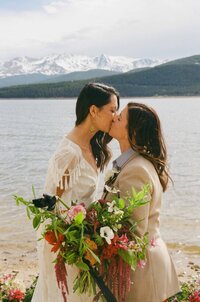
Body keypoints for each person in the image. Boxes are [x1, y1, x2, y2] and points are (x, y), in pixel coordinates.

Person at [31, 82, 119, 302]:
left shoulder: (92, 147)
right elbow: (54, 206)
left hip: (83, 241)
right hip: (68, 246)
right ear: (93, 110)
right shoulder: (69, 154)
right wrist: (76, 245)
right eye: (112, 110)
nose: (115, 116)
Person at [104, 102, 180, 302]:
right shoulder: (133, 164)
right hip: (146, 264)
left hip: (143, 271)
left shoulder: (135, 169)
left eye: (119, 118)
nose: (113, 118)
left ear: (133, 131)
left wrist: (95, 241)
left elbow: (133, 230)